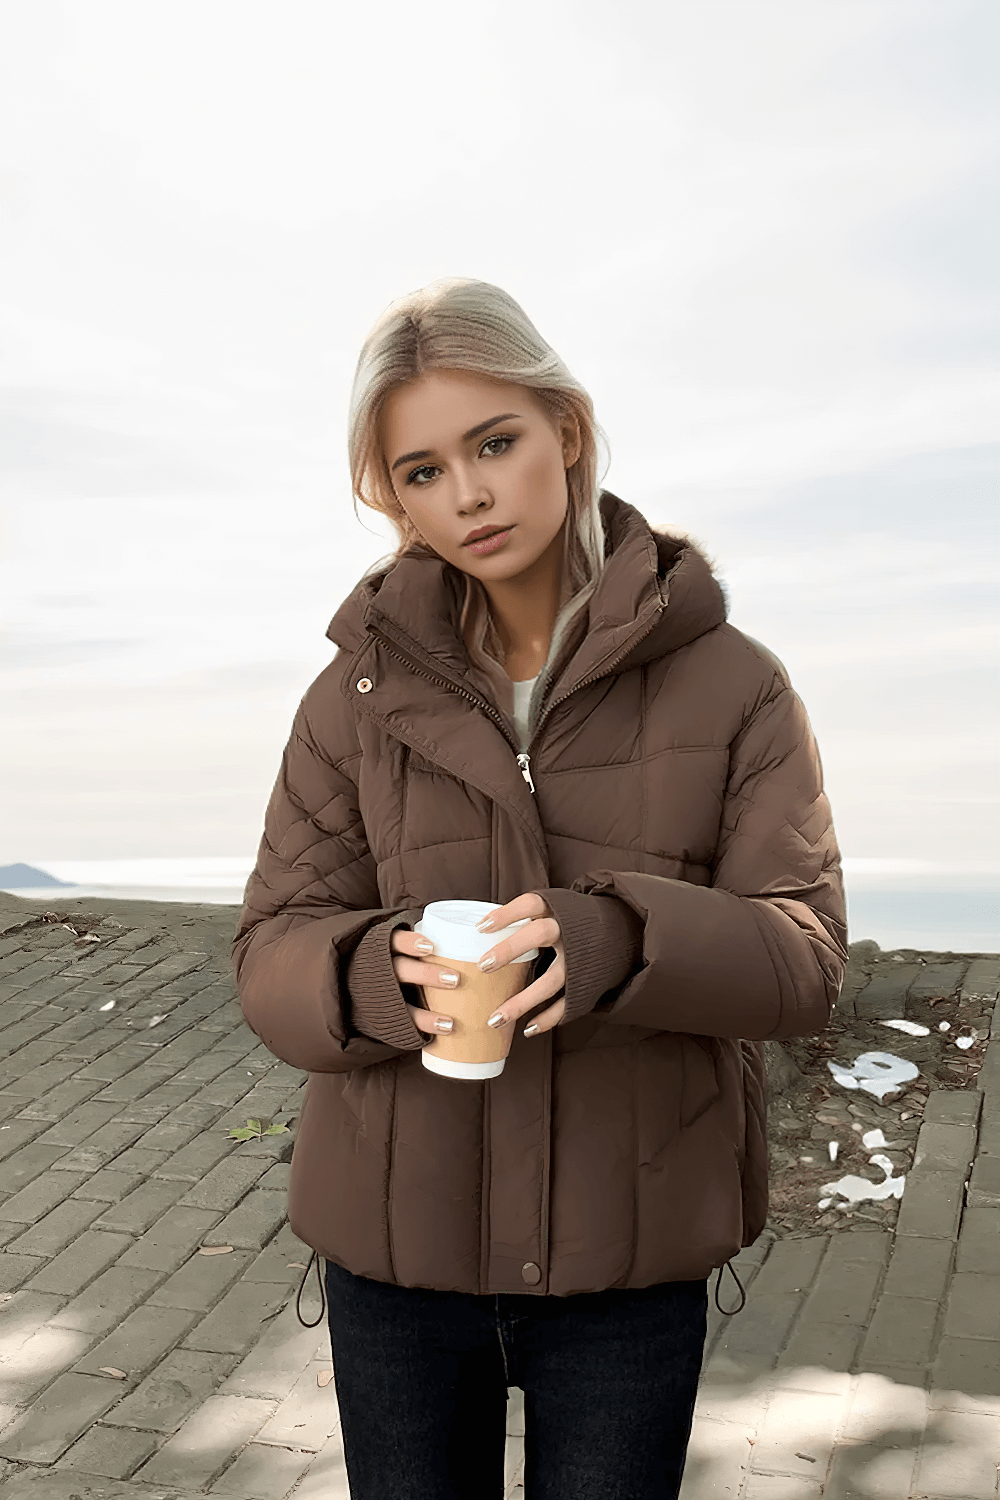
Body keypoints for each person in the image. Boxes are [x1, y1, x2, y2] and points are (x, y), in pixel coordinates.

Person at [232, 277, 847, 1500]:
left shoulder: (736, 685)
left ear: (565, 430)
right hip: (395, 1266)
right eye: (421, 470)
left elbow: (806, 962)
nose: (467, 494)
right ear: (394, 497)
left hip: (628, 1272)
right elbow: (269, 954)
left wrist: (620, 940)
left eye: (494, 443)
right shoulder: (348, 701)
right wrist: (372, 976)